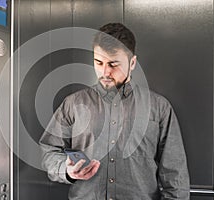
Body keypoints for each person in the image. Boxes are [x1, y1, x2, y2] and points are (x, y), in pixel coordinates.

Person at [39, 23, 190, 200]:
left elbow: (175, 177)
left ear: (132, 63)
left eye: (113, 64)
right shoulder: (72, 104)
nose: (105, 72)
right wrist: (67, 170)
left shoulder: (159, 108)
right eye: (99, 62)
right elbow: (49, 151)